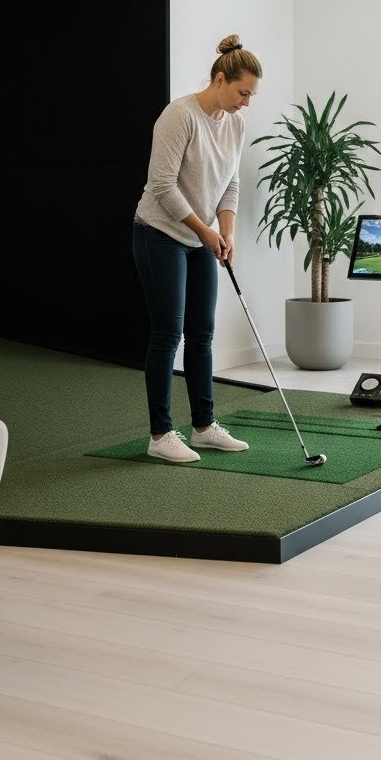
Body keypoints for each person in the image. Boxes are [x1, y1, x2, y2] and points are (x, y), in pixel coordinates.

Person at [133, 35, 263, 463]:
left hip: (201, 238)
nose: (246, 103)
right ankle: (160, 435)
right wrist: (205, 231)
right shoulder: (180, 115)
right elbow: (161, 186)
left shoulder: (236, 124)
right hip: (158, 233)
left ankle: (204, 427)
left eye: (251, 95)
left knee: (203, 334)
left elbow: (230, 182)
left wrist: (227, 232)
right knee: (168, 334)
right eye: (242, 93)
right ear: (220, 79)